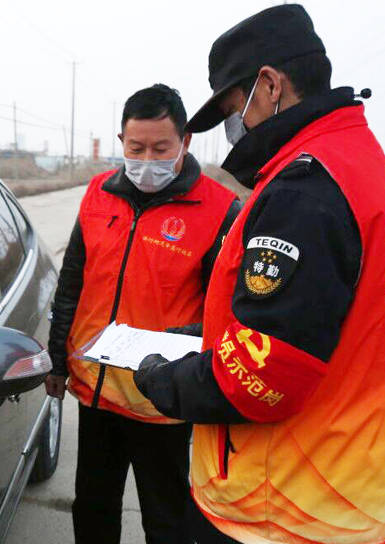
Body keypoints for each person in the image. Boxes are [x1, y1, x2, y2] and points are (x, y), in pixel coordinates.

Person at [133, 5, 385, 544]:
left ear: (269, 85)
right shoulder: (354, 159)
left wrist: (164, 382)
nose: (235, 130)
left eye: (233, 111)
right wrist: (205, 335)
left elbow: (263, 378)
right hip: (347, 492)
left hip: (280, 511)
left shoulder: (302, 191)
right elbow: (315, 317)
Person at [46, 83, 241, 544]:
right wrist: (57, 360)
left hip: (165, 398)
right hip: (97, 392)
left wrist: (179, 357)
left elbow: (227, 314)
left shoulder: (220, 210)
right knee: (93, 508)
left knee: (166, 519)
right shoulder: (97, 195)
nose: (147, 160)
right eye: (136, 149)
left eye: (160, 148)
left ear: (185, 142)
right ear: (122, 142)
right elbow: (72, 282)